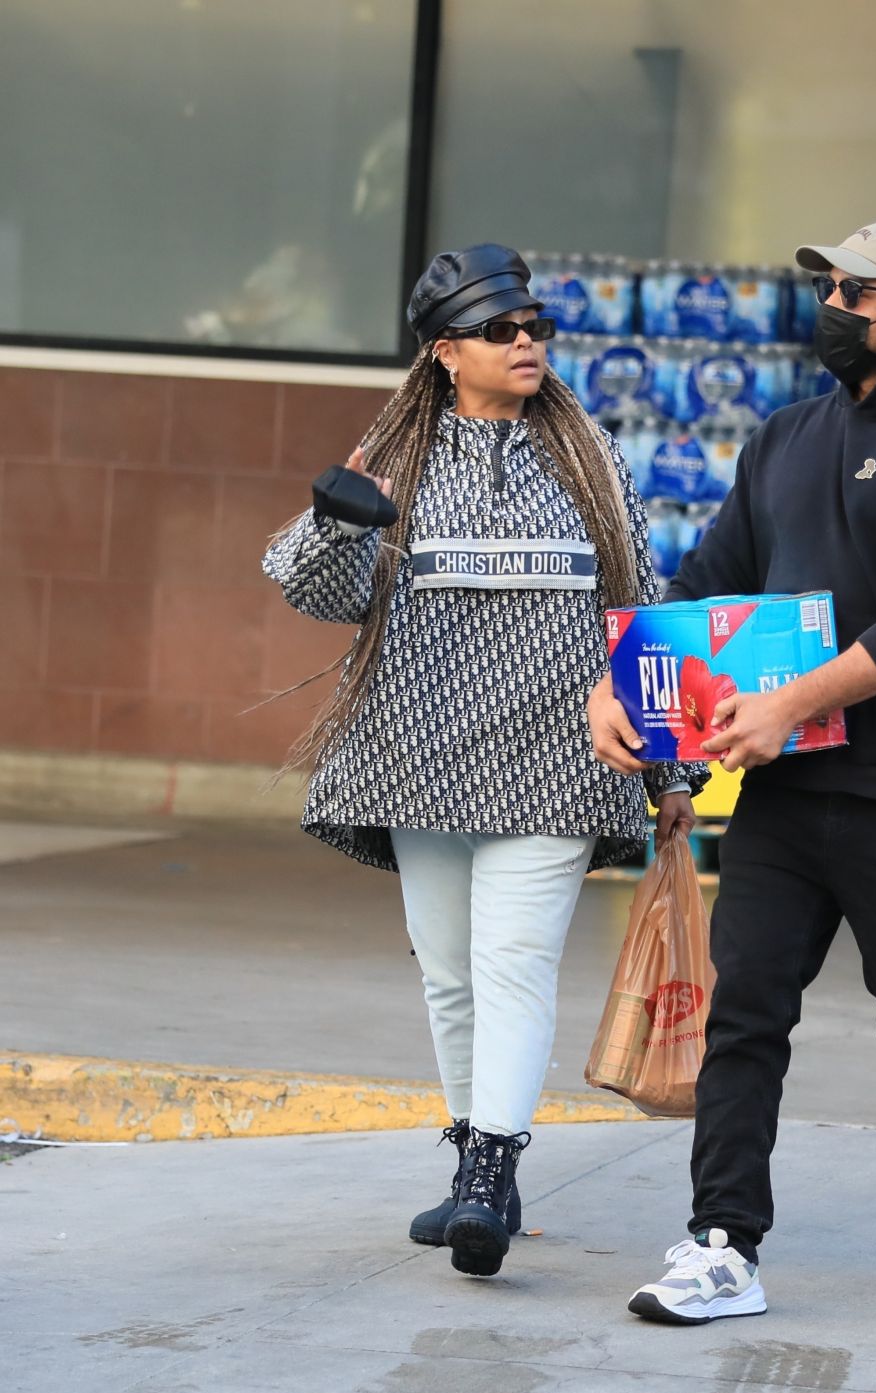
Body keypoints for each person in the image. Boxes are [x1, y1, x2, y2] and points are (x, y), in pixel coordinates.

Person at [589, 216, 876, 1321]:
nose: (832, 305)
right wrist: (621, 685)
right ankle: (721, 1243)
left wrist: (789, 701)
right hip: (784, 792)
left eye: (858, 291)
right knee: (743, 1015)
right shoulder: (784, 438)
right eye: (826, 285)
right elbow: (706, 581)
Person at [264, 244, 698, 1279]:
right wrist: (339, 524)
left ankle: (495, 1176)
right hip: (419, 759)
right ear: (444, 349)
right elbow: (315, 589)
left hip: (557, 756)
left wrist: (667, 764)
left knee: (512, 966)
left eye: (534, 327)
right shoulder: (398, 460)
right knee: (451, 976)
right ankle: (466, 1160)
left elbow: (641, 610)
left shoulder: (588, 460)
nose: (525, 343)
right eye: (501, 329)